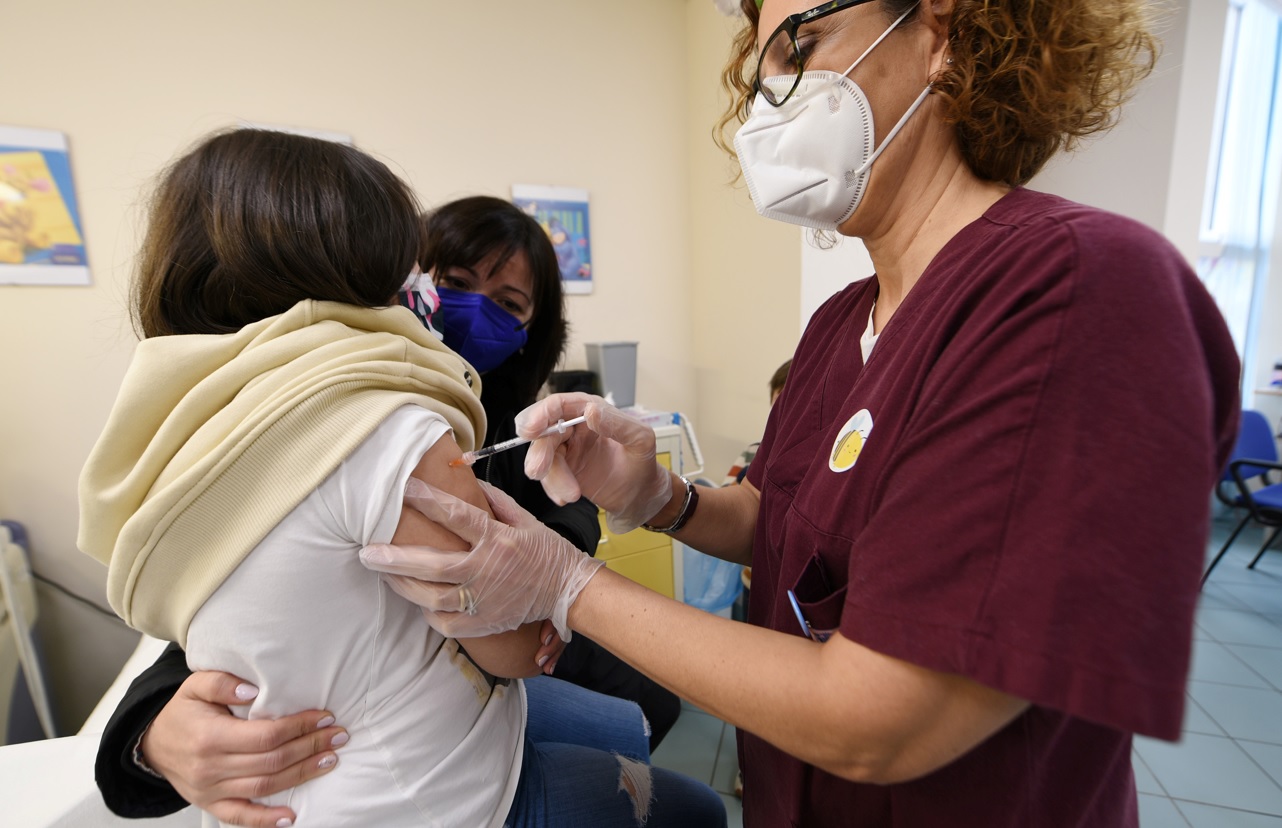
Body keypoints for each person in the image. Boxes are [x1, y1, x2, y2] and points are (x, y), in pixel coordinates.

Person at [356, 2, 1243, 826]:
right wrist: (659, 494)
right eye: (759, 76)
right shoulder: (839, 324)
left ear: (947, 30)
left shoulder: (1075, 291)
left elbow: (881, 718)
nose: (767, 109)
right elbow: (783, 524)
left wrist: (564, 584)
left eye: (801, 47)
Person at [78, 128, 725, 828]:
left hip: (396, 737)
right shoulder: (395, 419)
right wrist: (147, 736)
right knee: (686, 805)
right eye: (451, 284)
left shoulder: (189, 420)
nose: (473, 310)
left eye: (508, 302)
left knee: (638, 720)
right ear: (394, 270)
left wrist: (589, 534)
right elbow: (508, 644)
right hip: (431, 777)